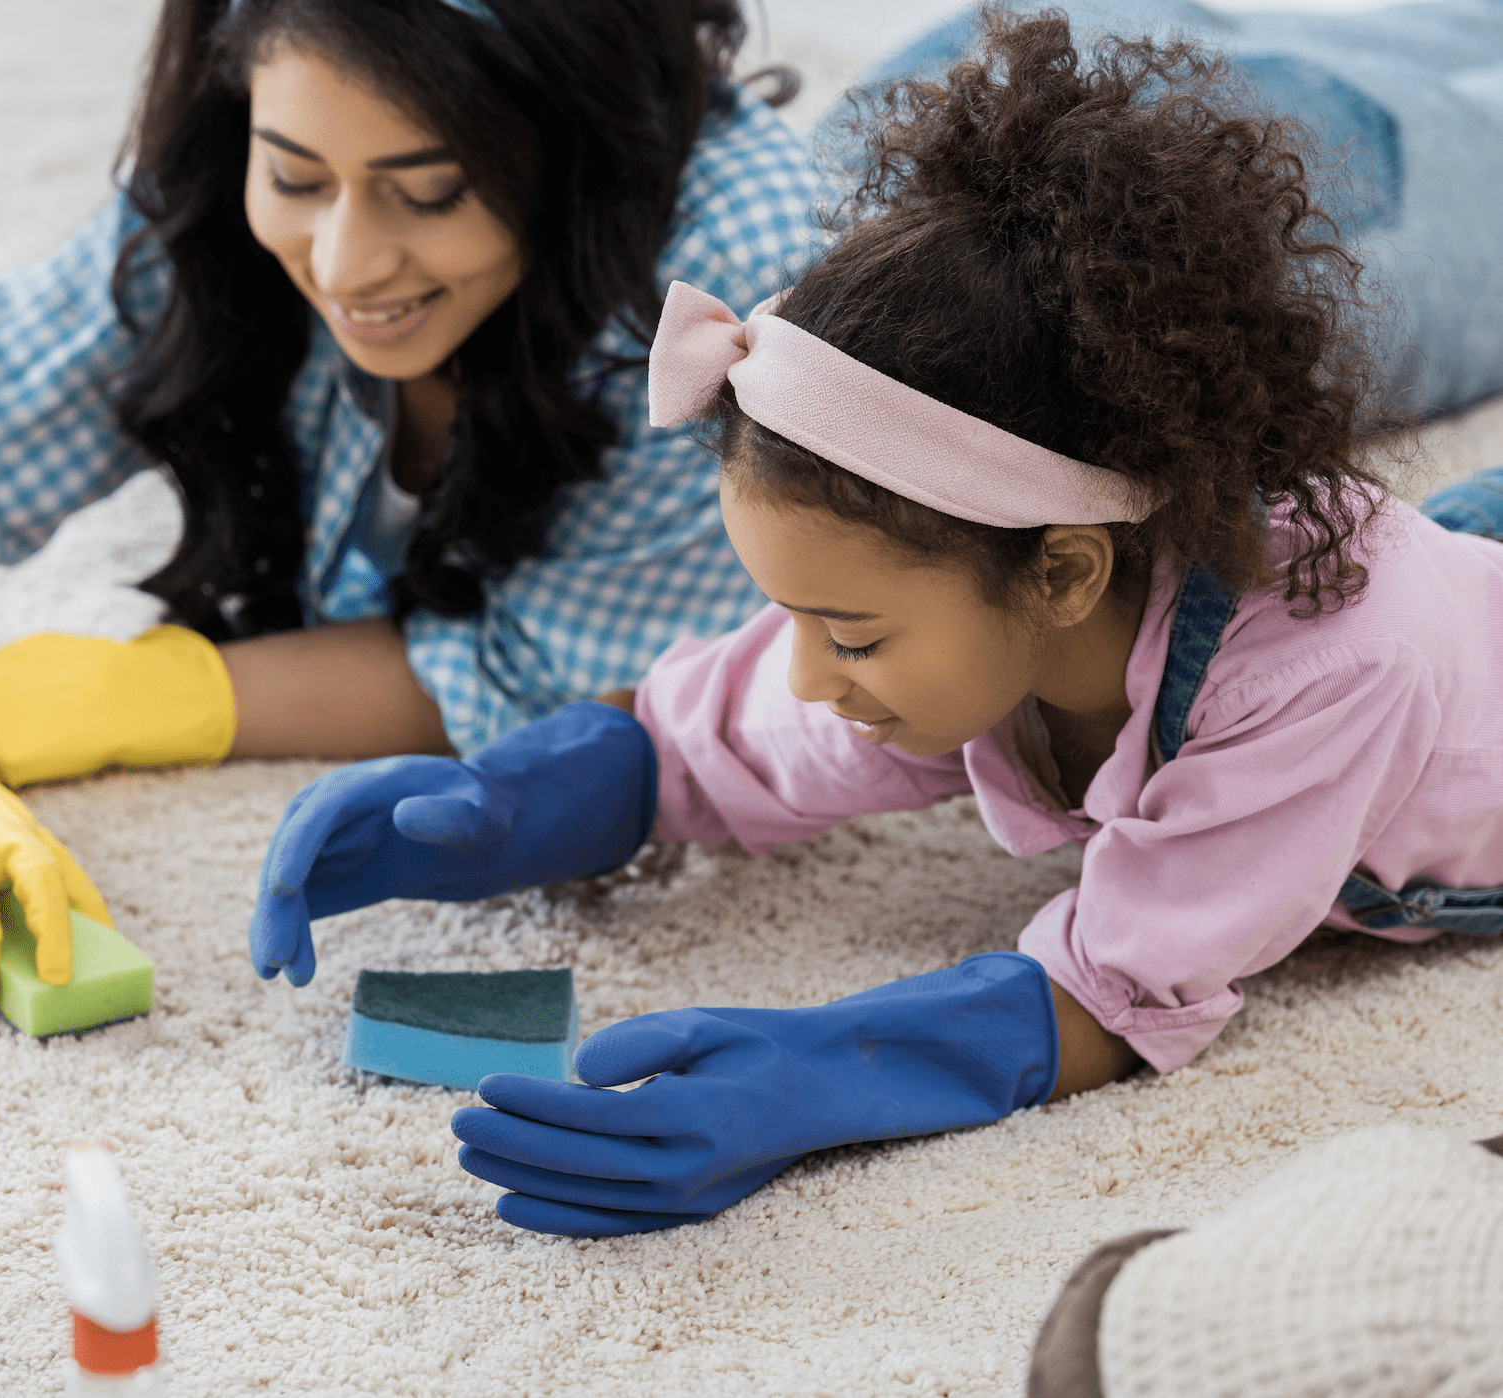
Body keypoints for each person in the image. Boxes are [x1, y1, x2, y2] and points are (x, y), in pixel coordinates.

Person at [246, 10, 1503, 1236]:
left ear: (1062, 576)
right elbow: (715, 742)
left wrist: (816, 1075)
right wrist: (511, 804)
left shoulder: (1333, 672)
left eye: (847, 637)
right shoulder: (997, 569)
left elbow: (1123, 982)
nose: (807, 675)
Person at [0, 0, 823, 1001]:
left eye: (427, 193)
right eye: (296, 177)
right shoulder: (216, 206)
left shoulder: (737, 271)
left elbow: (583, 683)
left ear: (573, 154)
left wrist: (148, 694)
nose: (343, 262)